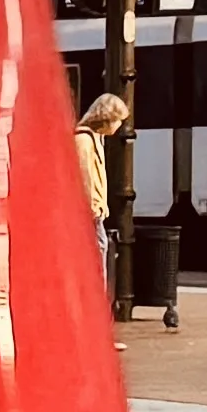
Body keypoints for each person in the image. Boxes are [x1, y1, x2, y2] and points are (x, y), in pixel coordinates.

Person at [74, 91, 134, 316]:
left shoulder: (94, 139)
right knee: (96, 264)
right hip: (90, 215)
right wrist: (93, 208)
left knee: (100, 264)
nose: (119, 126)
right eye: (118, 120)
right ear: (107, 118)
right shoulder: (83, 140)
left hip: (96, 212)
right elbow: (85, 176)